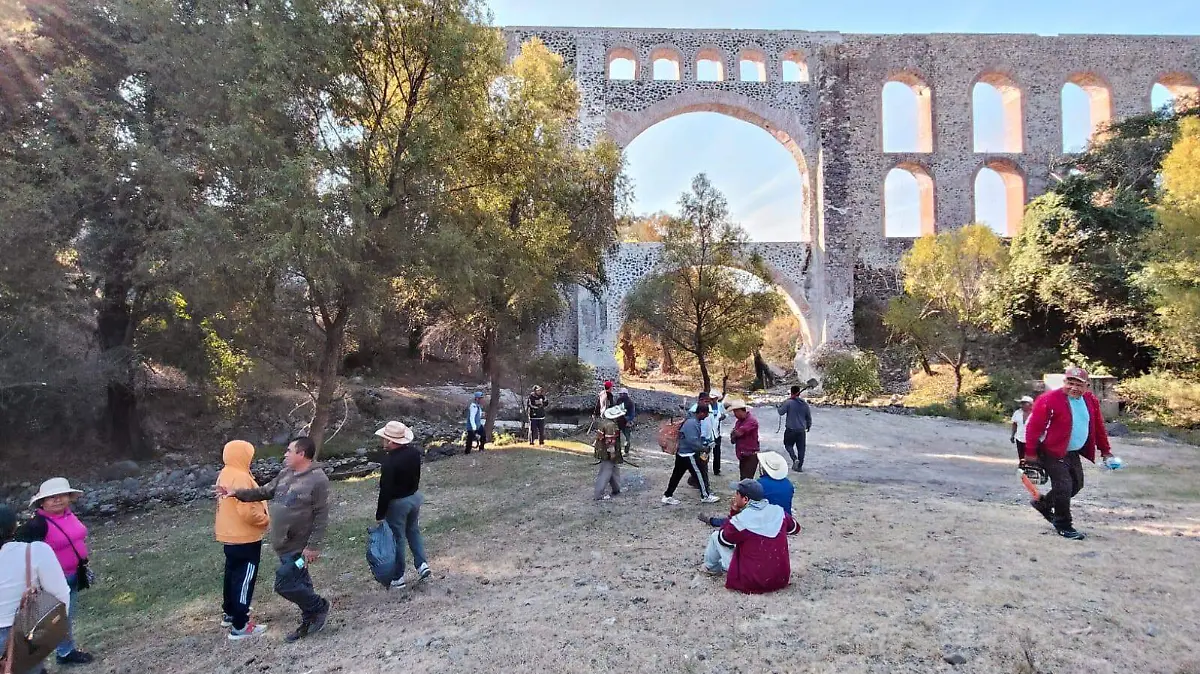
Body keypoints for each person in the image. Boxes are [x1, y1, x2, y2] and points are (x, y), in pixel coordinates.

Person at [216, 437, 330, 642]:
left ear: (301, 454)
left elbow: (322, 514)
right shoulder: (286, 473)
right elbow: (264, 491)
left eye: (289, 451)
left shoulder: (318, 479)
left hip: (300, 547)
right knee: (299, 580)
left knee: (284, 582)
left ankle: (318, 607)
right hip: (283, 544)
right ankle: (311, 617)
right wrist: (236, 493)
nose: (285, 454)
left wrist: (313, 546)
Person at [1023, 367, 1115, 540]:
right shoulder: (1049, 399)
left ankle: (1044, 504)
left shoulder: (1090, 400)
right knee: (1063, 487)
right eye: (1070, 383)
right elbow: (1034, 428)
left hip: (1071, 451)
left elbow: (1098, 426)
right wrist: (1030, 454)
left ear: (1087, 386)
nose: (1074, 387)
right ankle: (1063, 524)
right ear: (1064, 382)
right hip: (1051, 451)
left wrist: (1105, 451)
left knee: (1076, 485)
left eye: (1079, 385)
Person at [14, 478, 94, 665]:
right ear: (42, 502)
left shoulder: (68, 515)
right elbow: (18, 549)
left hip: (74, 574)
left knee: (65, 616)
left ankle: (64, 651)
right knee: (55, 619)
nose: (57, 500)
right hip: (52, 581)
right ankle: (61, 654)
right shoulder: (37, 525)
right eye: (51, 497)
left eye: (62, 495)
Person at [1, 504, 71, 674]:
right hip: (23, 633)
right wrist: (51, 632)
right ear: (14, 527)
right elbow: (60, 597)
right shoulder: (35, 552)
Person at [701, 479, 800, 594]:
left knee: (715, 536)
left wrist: (734, 513)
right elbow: (795, 529)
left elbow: (723, 539)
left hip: (752, 581)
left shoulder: (741, 520)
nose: (734, 496)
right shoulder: (779, 511)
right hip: (780, 578)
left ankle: (712, 568)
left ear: (745, 499)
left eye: (737, 493)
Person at [215, 440, 271, 640]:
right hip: (245, 536)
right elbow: (248, 511)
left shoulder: (225, 472)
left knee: (232, 574)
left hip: (229, 535)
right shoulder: (241, 477)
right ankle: (240, 625)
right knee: (245, 578)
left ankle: (230, 613)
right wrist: (265, 520)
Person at [374, 421, 431, 590]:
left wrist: (380, 514)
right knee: (413, 531)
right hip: (414, 497)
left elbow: (386, 490)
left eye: (384, 438)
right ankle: (422, 564)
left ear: (391, 441)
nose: (383, 441)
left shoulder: (389, 461)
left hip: (398, 503)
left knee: (397, 538)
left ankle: (398, 577)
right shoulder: (414, 453)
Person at [701, 451, 793, 527]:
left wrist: (736, 509)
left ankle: (714, 521)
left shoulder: (760, 484)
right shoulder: (789, 484)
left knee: (739, 518)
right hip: (785, 520)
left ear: (763, 468)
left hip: (765, 520)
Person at [662, 403, 721, 505]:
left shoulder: (691, 421)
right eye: (706, 414)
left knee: (676, 476)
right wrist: (703, 448)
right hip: (689, 454)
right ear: (701, 413)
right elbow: (692, 441)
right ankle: (705, 496)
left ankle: (667, 495)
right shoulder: (692, 423)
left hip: (682, 453)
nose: (707, 416)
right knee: (700, 474)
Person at [776, 385, 813, 472]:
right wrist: (808, 426)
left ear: (791, 392)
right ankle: (799, 467)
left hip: (790, 429)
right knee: (801, 449)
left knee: (788, 445)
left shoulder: (788, 402)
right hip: (801, 430)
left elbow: (781, 412)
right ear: (799, 393)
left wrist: (779, 406)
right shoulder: (804, 404)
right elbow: (808, 417)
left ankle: (794, 458)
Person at [593, 405, 626, 501]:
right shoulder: (611, 426)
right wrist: (612, 454)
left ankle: (616, 489)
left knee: (614, 470)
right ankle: (598, 494)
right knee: (605, 472)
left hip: (602, 450)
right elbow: (610, 442)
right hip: (607, 453)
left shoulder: (604, 422)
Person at [687, 391, 717, 487]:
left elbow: (710, 425)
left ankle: (695, 480)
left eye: (709, 401)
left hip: (707, 440)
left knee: (704, 461)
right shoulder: (693, 411)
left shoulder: (708, 409)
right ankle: (703, 484)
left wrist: (712, 438)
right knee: (701, 464)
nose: (708, 403)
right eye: (706, 401)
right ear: (700, 400)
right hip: (699, 441)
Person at [726, 399, 760, 479]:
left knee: (746, 479)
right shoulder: (739, 421)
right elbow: (734, 436)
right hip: (743, 454)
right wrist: (734, 433)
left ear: (739, 411)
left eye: (735, 412)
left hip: (750, 455)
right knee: (743, 478)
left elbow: (738, 433)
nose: (734, 414)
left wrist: (734, 433)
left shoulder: (751, 421)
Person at [1010, 396, 1034, 463]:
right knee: (1021, 458)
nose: (1021, 405)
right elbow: (1014, 424)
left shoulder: (1035, 414)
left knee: (1030, 458)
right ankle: (1022, 466)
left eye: (1024, 403)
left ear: (1030, 405)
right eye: (1021, 403)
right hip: (1019, 438)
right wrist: (1012, 435)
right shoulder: (1017, 412)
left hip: (1030, 440)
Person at [708, 390, 727, 476]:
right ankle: (703, 467)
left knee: (717, 451)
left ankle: (716, 469)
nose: (712, 400)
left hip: (717, 432)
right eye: (711, 399)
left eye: (713, 399)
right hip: (708, 432)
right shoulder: (707, 406)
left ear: (716, 399)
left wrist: (722, 416)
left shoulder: (720, 406)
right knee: (706, 451)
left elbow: (725, 414)